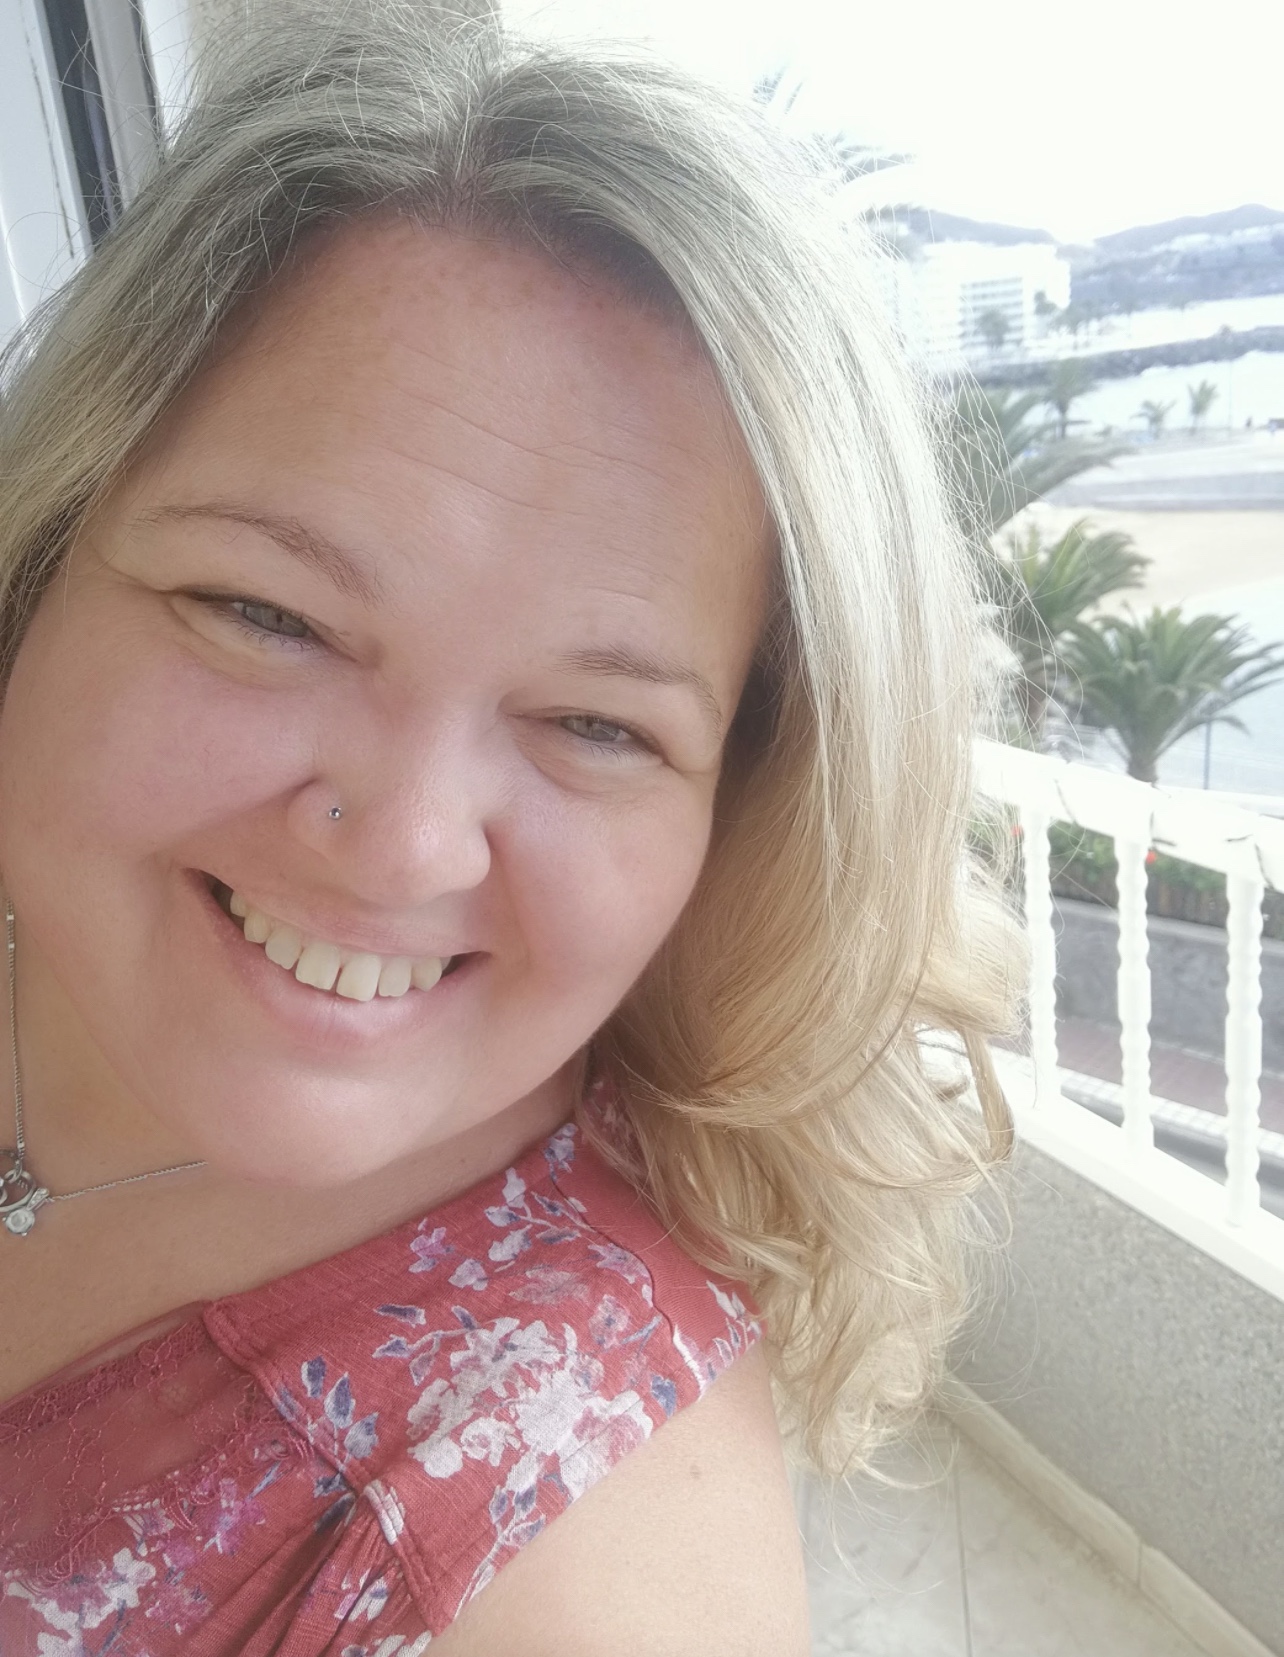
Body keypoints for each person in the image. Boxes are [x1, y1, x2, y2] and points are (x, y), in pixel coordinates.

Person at [0, 5, 1019, 1653]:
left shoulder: (577, 1574)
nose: (403, 843)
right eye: (266, 613)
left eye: (599, 726)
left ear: (735, 815)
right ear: (42, 555)